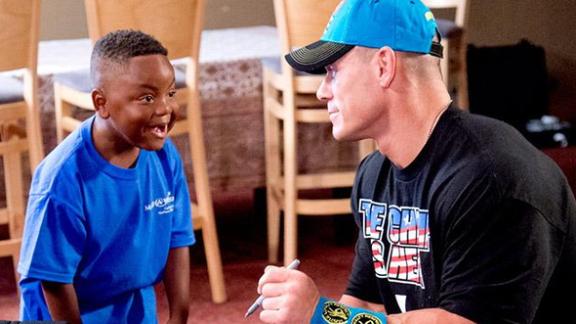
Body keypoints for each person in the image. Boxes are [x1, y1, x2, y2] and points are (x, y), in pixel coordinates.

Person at [256, 0, 576, 323]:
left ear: (384, 66)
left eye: (333, 71)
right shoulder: (374, 176)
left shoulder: (491, 179)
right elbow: (367, 307)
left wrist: (322, 315)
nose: (322, 92)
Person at [18, 30, 194, 324]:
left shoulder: (164, 155)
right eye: (147, 97)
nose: (164, 109)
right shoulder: (61, 180)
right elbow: (55, 281)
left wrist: (178, 316)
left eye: (170, 93)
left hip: (133, 309)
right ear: (102, 103)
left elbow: (177, 239)